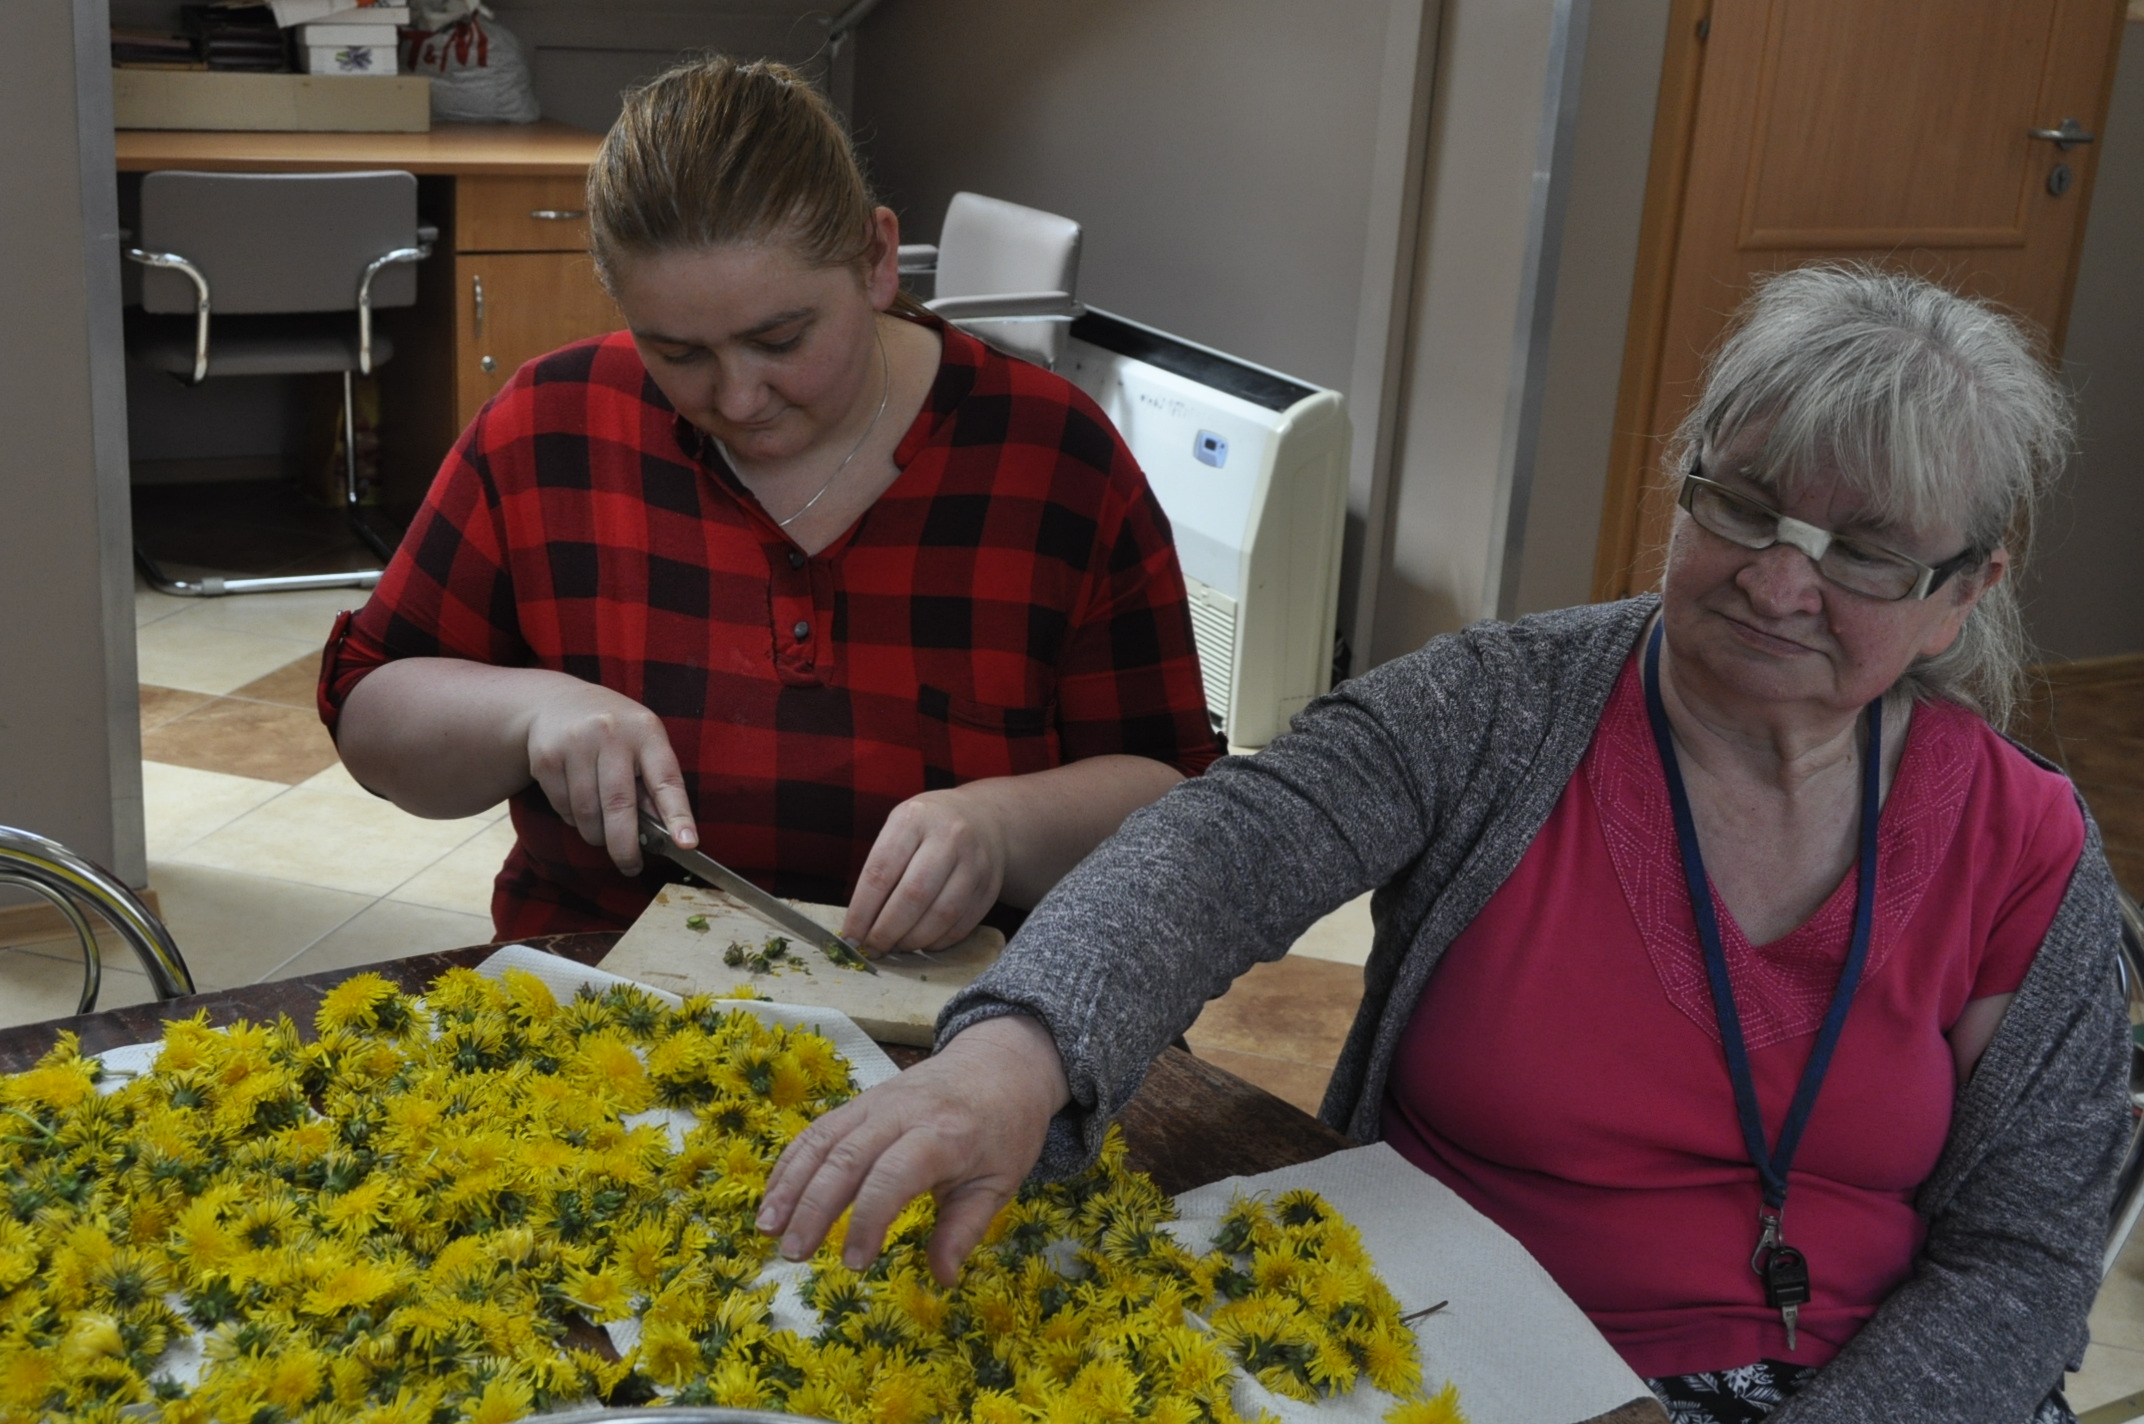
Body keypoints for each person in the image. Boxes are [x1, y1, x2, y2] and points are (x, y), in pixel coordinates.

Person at [756, 266, 2135, 1423]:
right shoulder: (1498, 708)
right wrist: (1015, 1052)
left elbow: (2019, 1266)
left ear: (1964, 591)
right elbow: (1230, 845)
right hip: (1445, 1356)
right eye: (1743, 505)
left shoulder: (2023, 849)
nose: (1779, 580)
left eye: (1862, 553)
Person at [320, 55, 1219, 949]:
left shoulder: (1050, 456)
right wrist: (528, 712)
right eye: (678, 354)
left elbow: (1180, 798)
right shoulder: (552, 424)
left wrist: (1003, 829)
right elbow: (370, 712)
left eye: (781, 339)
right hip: (596, 987)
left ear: (875, 260)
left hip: (965, 1009)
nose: (739, 397)